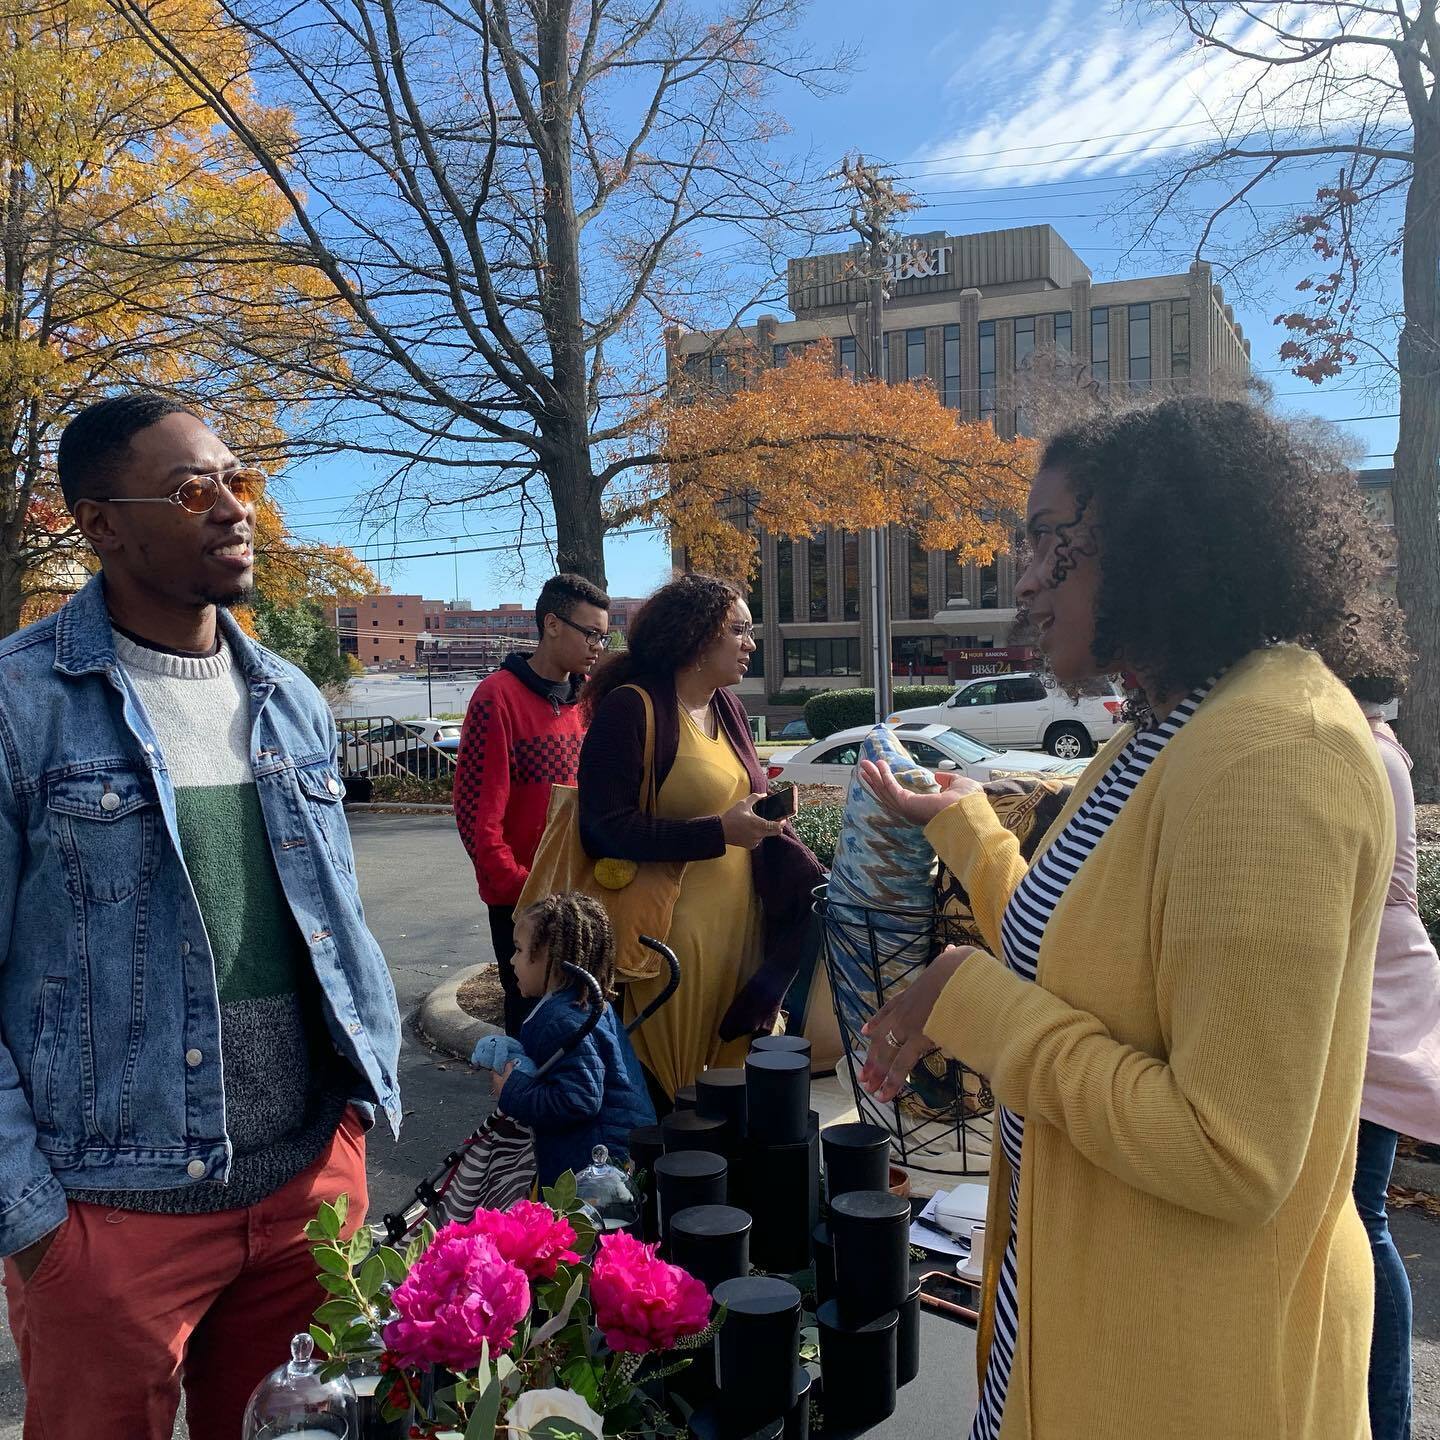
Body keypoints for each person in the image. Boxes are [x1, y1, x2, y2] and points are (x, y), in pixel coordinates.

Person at [858, 397, 1396, 1440]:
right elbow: (1082, 957)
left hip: (1194, 1379)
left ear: (1160, 534)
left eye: (1049, 539)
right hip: (1076, 1335)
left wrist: (972, 1003)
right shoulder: (1174, 723)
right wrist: (966, 831)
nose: (1020, 577)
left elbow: (1228, 1152)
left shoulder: (1269, 752)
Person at [0, 393, 401, 1439]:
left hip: (307, 1199)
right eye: (192, 489)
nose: (234, 508)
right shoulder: (19, 706)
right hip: (111, 1221)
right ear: (100, 524)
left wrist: (353, 1132)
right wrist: (38, 1225)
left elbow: (336, 927)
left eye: (240, 479)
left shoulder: (292, 700)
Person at [578, 574, 824, 1101]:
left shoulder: (727, 708)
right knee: (671, 1097)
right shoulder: (631, 707)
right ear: (697, 634)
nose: (751, 645)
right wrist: (718, 832)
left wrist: (764, 816)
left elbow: (731, 805)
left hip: (740, 930)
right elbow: (602, 828)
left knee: (730, 1093)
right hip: (666, 944)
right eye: (740, 630)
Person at [1347, 665, 1440, 1440]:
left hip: (1370, 1015)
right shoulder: (1379, 746)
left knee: (1361, 1220)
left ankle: (1387, 1422)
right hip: (1369, 1002)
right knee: (1359, 1218)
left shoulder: (1366, 754)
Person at [454, 573, 611, 1035]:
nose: (598, 646)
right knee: (532, 1024)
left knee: (585, 1021)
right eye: (591, 633)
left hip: (585, 894)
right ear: (552, 624)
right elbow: (476, 814)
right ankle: (517, 1107)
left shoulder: (591, 705)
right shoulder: (496, 696)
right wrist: (521, 892)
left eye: (604, 636)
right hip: (523, 901)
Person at [475, 893, 655, 1186]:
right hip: (613, 1149)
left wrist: (512, 1089)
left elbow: (578, 1099)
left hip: (594, 1168)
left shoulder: (562, 1019)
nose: (511, 960)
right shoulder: (583, 1005)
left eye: (519, 950)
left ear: (550, 957)